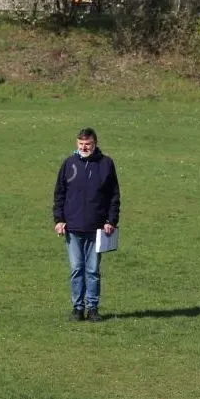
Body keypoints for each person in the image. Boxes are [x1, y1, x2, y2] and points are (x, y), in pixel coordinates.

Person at [52, 127, 120, 322]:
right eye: (81, 144)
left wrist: (111, 221)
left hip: (96, 228)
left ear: (95, 144)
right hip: (72, 227)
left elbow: (114, 196)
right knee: (76, 269)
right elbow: (59, 193)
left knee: (92, 270)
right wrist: (59, 220)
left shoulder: (106, 164)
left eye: (87, 144)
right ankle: (77, 308)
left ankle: (92, 308)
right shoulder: (69, 164)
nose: (84, 147)